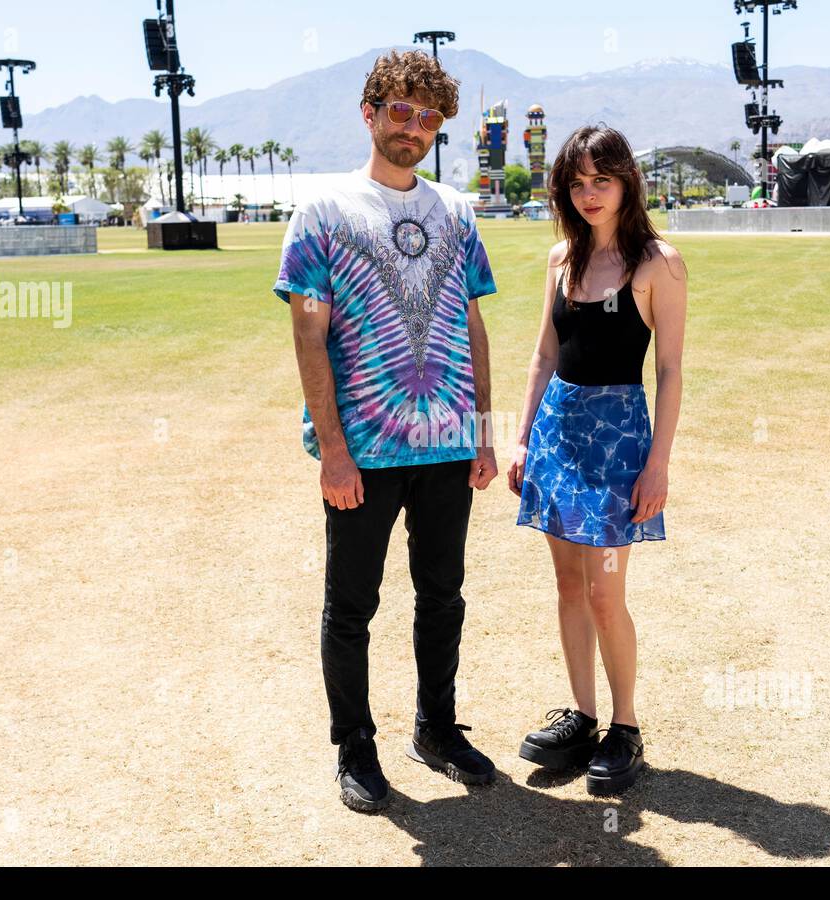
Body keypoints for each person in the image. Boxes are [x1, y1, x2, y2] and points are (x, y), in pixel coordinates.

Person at [273, 50, 501, 813]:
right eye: (399, 112)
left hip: (447, 446)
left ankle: (436, 728)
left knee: (444, 596)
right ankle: (356, 748)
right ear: (369, 113)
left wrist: (485, 434)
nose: (413, 128)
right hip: (364, 454)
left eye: (428, 117)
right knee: (352, 607)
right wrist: (333, 451)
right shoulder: (325, 211)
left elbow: (472, 326)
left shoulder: (457, 213)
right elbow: (310, 335)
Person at [508, 125, 687, 796]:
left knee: (606, 594)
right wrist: (522, 438)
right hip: (556, 434)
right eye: (577, 183)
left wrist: (658, 465)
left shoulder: (657, 264)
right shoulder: (560, 258)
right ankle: (581, 718)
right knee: (568, 587)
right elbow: (545, 354)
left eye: (601, 181)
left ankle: (626, 727)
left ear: (625, 183)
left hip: (618, 443)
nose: (589, 194)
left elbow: (669, 370)